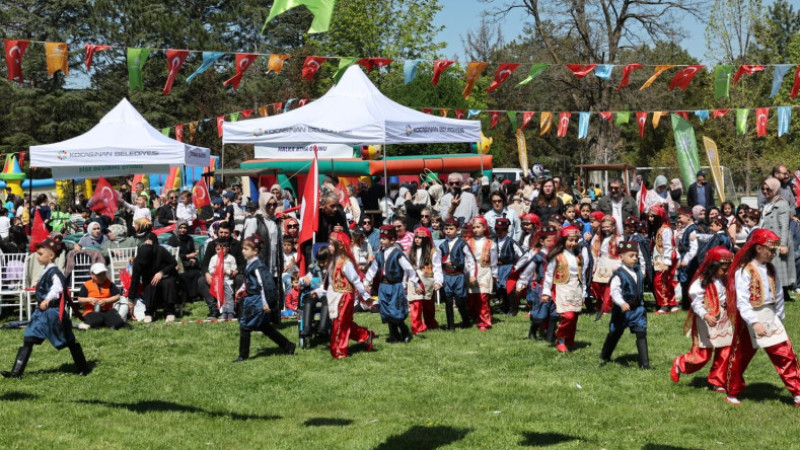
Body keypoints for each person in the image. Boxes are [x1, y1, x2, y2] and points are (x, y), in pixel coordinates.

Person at [724, 229, 800, 406]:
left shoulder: (772, 269)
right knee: (741, 357)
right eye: (770, 250)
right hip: (751, 316)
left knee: (785, 353)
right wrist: (754, 322)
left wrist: (779, 316)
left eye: (774, 251)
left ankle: (797, 392)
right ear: (758, 248)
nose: (773, 254)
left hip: (770, 315)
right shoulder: (744, 270)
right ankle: (732, 392)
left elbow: (779, 294)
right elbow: (742, 300)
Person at [2, 236, 88, 378]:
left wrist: (47, 299)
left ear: (51, 255)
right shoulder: (46, 270)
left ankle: (83, 367)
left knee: (67, 340)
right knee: (29, 338)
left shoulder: (55, 273)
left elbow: (57, 288)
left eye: (41, 254)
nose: (38, 257)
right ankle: (16, 372)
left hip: (53, 312)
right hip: (40, 313)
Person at [670, 247, 734, 392]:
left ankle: (717, 380)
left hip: (722, 318)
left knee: (725, 350)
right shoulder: (701, 282)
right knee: (703, 355)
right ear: (713, 267)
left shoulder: (723, 279)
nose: (725, 272)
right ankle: (681, 363)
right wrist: (705, 314)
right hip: (706, 318)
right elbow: (696, 302)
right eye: (723, 269)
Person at [233, 236, 296, 362]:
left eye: (246, 249)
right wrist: (241, 289)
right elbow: (247, 281)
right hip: (251, 299)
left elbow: (263, 285)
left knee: (245, 325)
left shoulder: (258, 266)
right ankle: (288, 345)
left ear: (255, 251)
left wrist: (265, 303)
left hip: (257, 300)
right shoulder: (249, 264)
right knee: (264, 327)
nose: (243, 251)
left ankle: (243, 356)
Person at [365, 225, 422, 343]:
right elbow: (373, 269)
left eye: (385, 238)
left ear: (392, 240)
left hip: (395, 286)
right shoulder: (380, 255)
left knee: (395, 311)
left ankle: (405, 332)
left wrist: (416, 284)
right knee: (386, 312)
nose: (381, 240)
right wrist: (365, 282)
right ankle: (394, 336)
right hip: (383, 286)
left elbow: (409, 269)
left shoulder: (398, 254)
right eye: (381, 238)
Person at [600, 241, 650, 369]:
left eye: (636, 256)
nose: (634, 258)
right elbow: (614, 291)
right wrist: (621, 303)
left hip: (638, 309)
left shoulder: (638, 271)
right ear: (621, 257)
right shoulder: (619, 274)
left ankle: (645, 364)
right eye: (631, 255)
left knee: (641, 332)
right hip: (622, 311)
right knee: (615, 332)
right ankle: (605, 355)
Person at [540, 226, 585, 352]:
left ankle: (568, 341)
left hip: (576, 288)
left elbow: (583, 276)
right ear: (563, 240)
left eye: (576, 240)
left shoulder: (579, 257)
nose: (573, 243)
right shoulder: (557, 256)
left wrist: (584, 293)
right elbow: (549, 275)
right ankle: (560, 338)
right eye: (570, 240)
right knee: (568, 316)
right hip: (562, 288)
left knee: (574, 317)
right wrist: (546, 292)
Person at [128, 234, 181, 323]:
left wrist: (162, 272)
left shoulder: (160, 250)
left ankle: (169, 312)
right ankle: (149, 313)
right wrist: (131, 299)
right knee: (149, 285)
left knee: (168, 283)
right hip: (149, 279)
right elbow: (135, 281)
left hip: (166, 276)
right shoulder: (138, 262)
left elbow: (173, 263)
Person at [760, 177, 796, 300]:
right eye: (763, 189)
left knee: (780, 268)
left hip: (779, 240)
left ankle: (783, 294)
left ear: (775, 189)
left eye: (768, 189)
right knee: (772, 267)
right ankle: (777, 292)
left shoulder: (782, 204)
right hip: (767, 240)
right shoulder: (767, 204)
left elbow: (784, 226)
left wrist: (783, 244)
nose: (765, 191)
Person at [199, 222, 244, 318]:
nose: (223, 235)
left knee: (240, 278)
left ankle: (237, 308)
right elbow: (204, 264)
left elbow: (243, 264)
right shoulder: (212, 245)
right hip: (215, 276)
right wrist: (207, 274)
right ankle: (214, 309)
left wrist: (236, 271)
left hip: (231, 275)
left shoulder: (237, 245)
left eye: (226, 233)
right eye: (221, 232)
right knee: (201, 281)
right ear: (218, 232)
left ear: (231, 233)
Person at [407, 227, 441, 334]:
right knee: (415, 305)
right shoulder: (410, 251)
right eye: (415, 237)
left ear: (426, 239)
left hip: (428, 281)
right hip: (413, 280)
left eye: (420, 238)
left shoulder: (433, 251)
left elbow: (437, 267)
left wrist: (438, 281)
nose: (417, 239)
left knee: (428, 306)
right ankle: (417, 327)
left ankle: (431, 324)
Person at [466, 217, 497, 331]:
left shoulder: (491, 243)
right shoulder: (468, 243)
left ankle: (484, 322)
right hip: (472, 271)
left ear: (484, 228)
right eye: (473, 227)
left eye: (478, 227)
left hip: (485, 271)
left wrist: (494, 275)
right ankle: (474, 316)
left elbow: (494, 260)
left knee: (483, 297)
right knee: (473, 297)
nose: (475, 230)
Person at [76, 263, 128, 330]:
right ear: (92, 274)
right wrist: (89, 300)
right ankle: (97, 323)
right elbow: (80, 299)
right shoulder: (87, 285)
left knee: (118, 323)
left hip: (107, 310)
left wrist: (106, 301)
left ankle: (107, 323)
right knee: (97, 320)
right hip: (91, 311)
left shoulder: (109, 283)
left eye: (104, 274)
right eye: (99, 275)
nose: (102, 277)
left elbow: (117, 296)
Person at [649, 206, 678, 314]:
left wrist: (666, 262)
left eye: (653, 216)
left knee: (659, 282)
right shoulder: (658, 229)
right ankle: (671, 304)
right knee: (665, 282)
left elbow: (668, 246)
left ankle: (664, 305)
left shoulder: (665, 230)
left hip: (664, 260)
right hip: (659, 259)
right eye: (650, 216)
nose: (650, 219)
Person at [494, 217, 523, 316]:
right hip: (497, 267)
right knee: (500, 288)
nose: (498, 232)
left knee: (509, 288)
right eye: (496, 229)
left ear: (507, 230)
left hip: (508, 267)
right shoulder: (493, 241)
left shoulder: (511, 242)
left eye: (501, 230)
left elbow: (522, 255)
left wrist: (516, 266)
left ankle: (513, 308)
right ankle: (505, 306)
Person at [167, 221, 202, 302]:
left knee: (196, 273)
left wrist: (192, 258)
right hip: (177, 263)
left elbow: (193, 251)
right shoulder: (173, 239)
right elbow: (173, 254)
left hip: (189, 263)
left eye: (185, 228)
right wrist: (187, 256)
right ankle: (187, 296)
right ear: (177, 228)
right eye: (181, 228)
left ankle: (194, 295)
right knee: (184, 275)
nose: (183, 230)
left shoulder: (189, 239)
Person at [677, 207, 701, 311]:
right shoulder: (687, 228)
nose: (678, 220)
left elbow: (694, 247)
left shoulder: (693, 229)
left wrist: (686, 260)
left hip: (690, 263)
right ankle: (686, 304)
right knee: (684, 282)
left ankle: (689, 305)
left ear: (688, 217)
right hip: (685, 260)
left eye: (680, 217)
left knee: (688, 282)